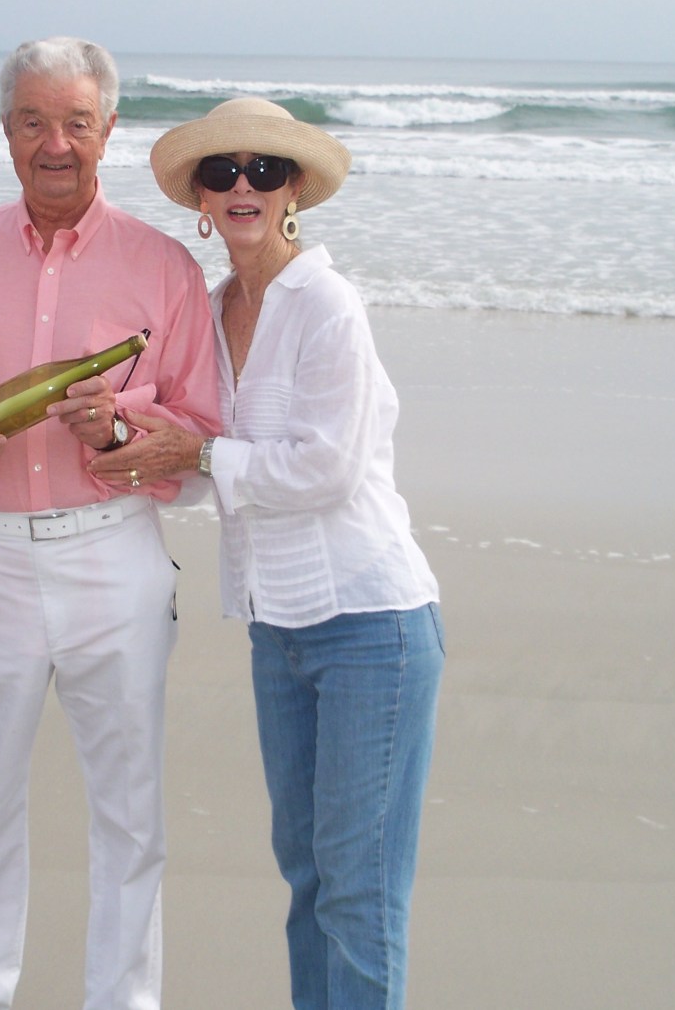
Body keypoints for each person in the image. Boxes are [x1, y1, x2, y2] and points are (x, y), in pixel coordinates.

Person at [0, 37, 222, 1010]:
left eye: (74, 121)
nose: (54, 142)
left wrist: (120, 427)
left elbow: (203, 429)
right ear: (6, 130)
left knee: (129, 813)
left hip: (115, 557)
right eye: (32, 121)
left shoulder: (161, 270)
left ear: (108, 128)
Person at [87, 97, 444, 1010]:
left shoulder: (328, 303)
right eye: (222, 172)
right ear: (200, 200)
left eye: (263, 170)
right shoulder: (207, 310)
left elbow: (325, 468)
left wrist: (194, 453)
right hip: (275, 626)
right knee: (307, 875)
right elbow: (207, 460)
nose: (242, 185)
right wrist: (130, 445)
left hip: (372, 623)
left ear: (294, 192)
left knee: (359, 890)